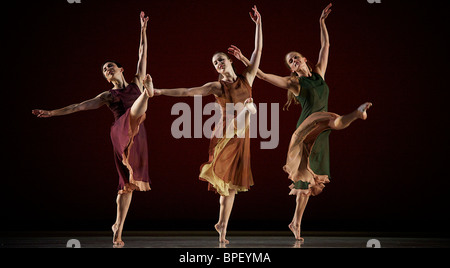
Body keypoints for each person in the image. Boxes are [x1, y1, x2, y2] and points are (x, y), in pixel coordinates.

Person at [228, 3, 372, 241]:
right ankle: (356, 114)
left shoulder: (319, 74)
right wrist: (243, 57)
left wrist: (321, 23)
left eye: (295, 59)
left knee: (305, 182)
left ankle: (295, 222)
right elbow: (262, 75)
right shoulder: (294, 83)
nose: (293, 63)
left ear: (304, 58)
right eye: (290, 63)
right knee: (332, 120)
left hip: (321, 131)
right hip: (306, 130)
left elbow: (326, 46)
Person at [32, 12, 154, 247]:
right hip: (121, 130)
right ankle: (150, 93)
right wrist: (52, 112)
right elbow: (79, 106)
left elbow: (142, 53)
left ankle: (117, 229)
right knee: (137, 110)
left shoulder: (135, 81)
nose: (107, 70)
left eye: (110, 67)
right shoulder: (108, 95)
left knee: (127, 184)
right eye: (104, 70)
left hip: (137, 136)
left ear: (120, 69)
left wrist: (143, 29)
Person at [154, 6, 263, 244]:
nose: (218, 65)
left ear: (230, 60)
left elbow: (257, 50)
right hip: (226, 132)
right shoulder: (216, 86)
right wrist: (160, 91)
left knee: (230, 186)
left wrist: (258, 24)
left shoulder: (247, 78)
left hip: (242, 138)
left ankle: (222, 227)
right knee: (249, 110)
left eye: (221, 60)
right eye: (215, 63)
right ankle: (250, 109)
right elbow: (187, 91)